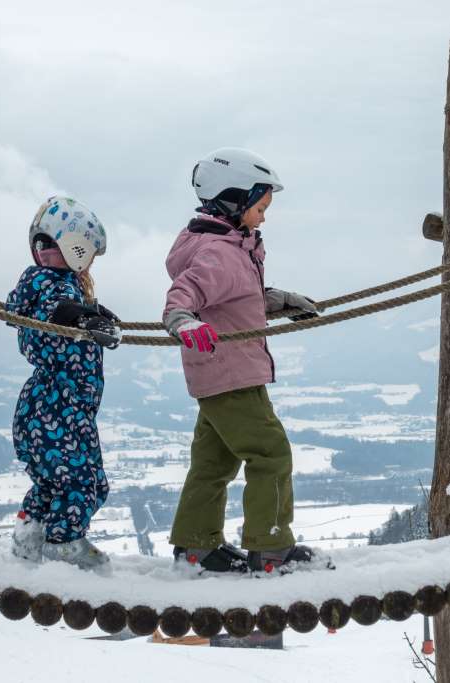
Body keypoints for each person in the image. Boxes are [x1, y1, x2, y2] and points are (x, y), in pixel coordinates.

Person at [163, 148, 324, 574]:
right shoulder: (220, 252)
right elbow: (183, 297)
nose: (264, 218)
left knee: (214, 462)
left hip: (216, 374)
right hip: (231, 373)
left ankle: (196, 545)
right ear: (234, 201)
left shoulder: (227, 246)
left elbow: (236, 299)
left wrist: (282, 301)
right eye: (260, 207)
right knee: (271, 453)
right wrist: (183, 322)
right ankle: (272, 548)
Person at [7, 196, 121, 574]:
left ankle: (31, 535)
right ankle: (64, 544)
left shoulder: (45, 284)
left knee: (51, 482)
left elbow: (47, 313)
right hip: (62, 409)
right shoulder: (54, 286)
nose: (42, 253)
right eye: (42, 245)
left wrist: (94, 314)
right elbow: (53, 314)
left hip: (42, 407)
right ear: (78, 249)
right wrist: (80, 316)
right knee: (84, 480)